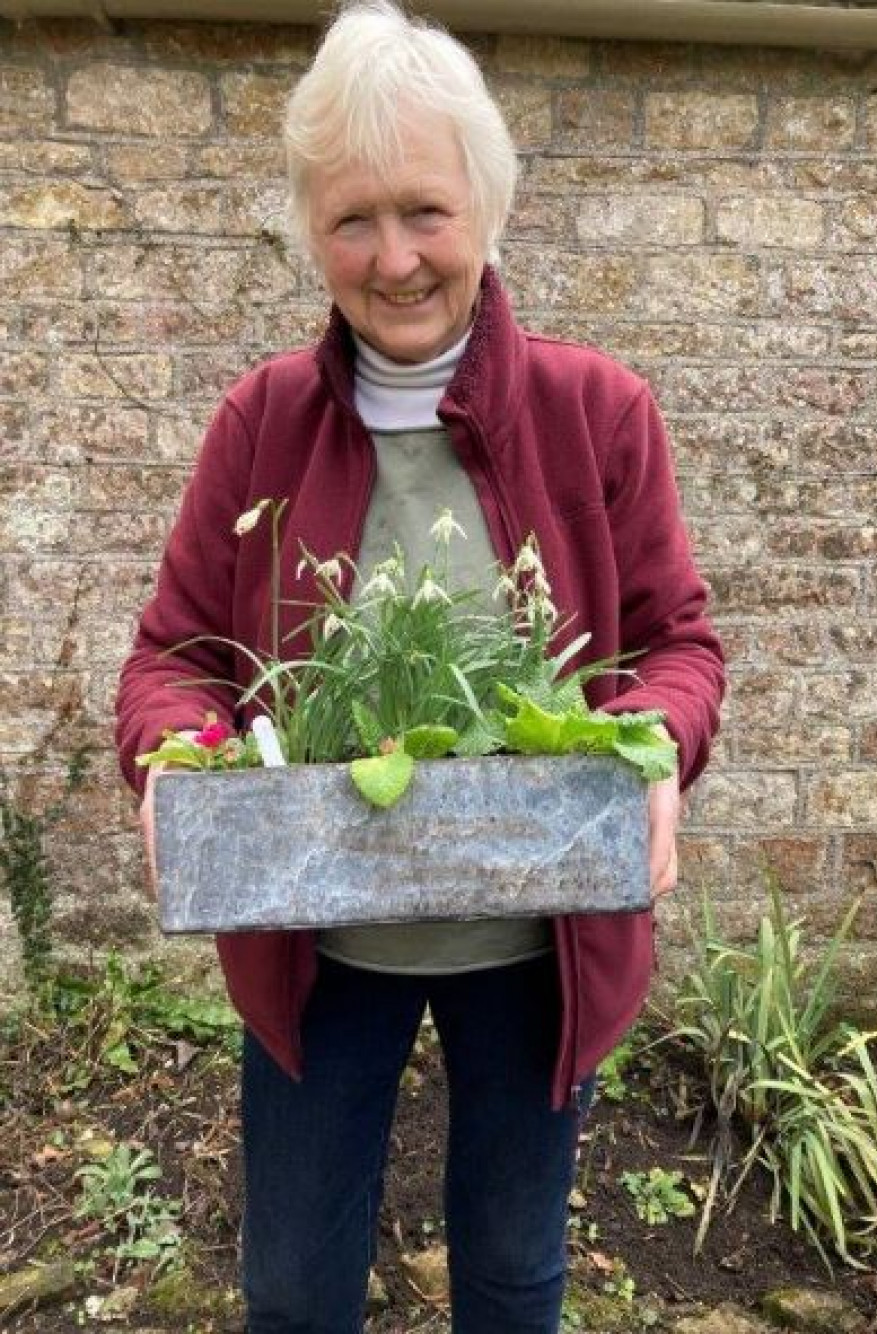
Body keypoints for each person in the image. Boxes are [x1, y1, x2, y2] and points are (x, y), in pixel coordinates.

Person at [115, 3, 725, 1331]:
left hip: (539, 937)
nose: (393, 258)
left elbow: (679, 643)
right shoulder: (262, 423)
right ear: (311, 232)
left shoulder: (595, 411)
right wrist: (174, 756)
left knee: (511, 1273)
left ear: (487, 209)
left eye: (426, 212)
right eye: (352, 220)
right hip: (314, 934)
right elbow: (171, 656)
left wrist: (654, 747)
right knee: (291, 1284)